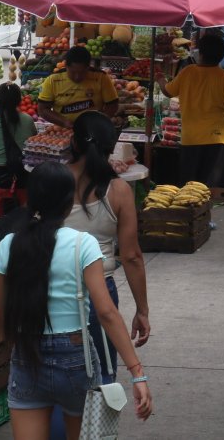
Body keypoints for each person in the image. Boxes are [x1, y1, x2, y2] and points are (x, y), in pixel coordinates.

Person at [0, 162, 152, 440]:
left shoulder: (8, 245)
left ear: (31, 199)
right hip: (75, 359)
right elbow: (106, 313)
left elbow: (0, 320)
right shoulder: (83, 244)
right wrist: (137, 373)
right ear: (69, 202)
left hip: (27, 355)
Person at [63, 112, 151, 384]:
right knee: (102, 377)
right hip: (101, 289)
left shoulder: (53, 180)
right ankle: (96, 426)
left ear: (73, 142)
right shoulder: (119, 190)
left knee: (60, 374)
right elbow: (132, 257)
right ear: (110, 148)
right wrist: (142, 310)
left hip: (56, 289)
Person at [156, 32, 224, 188]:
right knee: (212, 188)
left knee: (190, 187)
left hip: (191, 139)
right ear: (221, 55)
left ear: (201, 53)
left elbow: (168, 91)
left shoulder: (188, 72)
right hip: (218, 139)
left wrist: (160, 79)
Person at [0, 82, 37, 213]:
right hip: (23, 178)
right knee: (23, 219)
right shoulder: (28, 120)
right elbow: (33, 146)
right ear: (19, 100)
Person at [37, 46, 119, 128]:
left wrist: (98, 122)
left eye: (82, 72)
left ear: (89, 67)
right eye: (73, 72)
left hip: (93, 129)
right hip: (63, 130)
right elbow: (42, 109)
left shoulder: (101, 77)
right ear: (66, 66)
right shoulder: (53, 80)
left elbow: (113, 105)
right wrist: (64, 122)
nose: (77, 77)